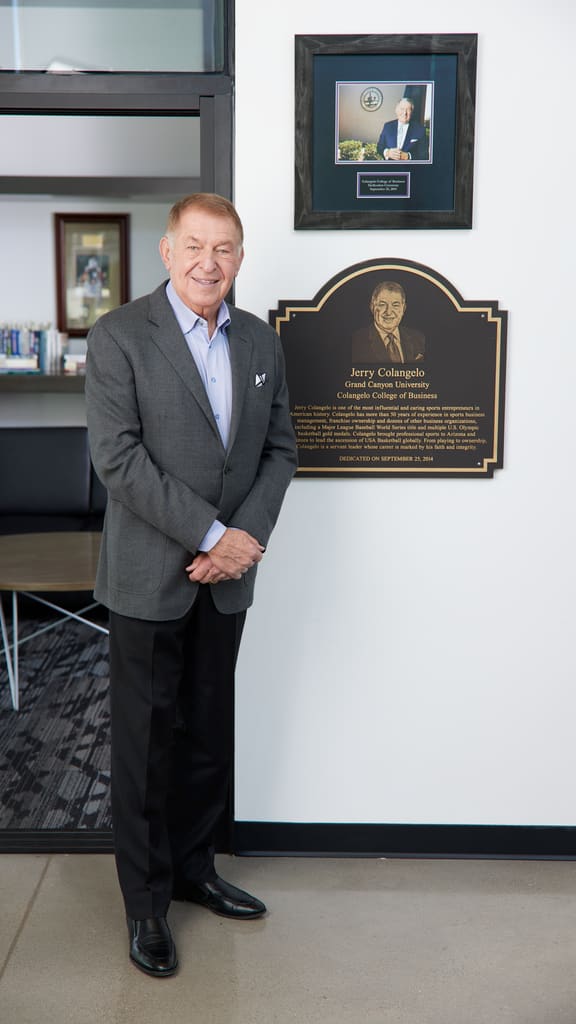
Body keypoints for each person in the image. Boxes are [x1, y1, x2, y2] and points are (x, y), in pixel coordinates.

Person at [85, 193, 298, 978]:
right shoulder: (119, 337)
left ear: (240, 259)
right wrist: (212, 535)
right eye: (197, 246)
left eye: (228, 249)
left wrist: (243, 544)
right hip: (150, 576)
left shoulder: (260, 343)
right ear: (168, 251)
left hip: (226, 580)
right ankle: (145, 906)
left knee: (208, 734)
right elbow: (120, 460)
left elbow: (281, 452)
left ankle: (194, 869)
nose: (211, 263)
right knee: (145, 744)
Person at [352, 280, 426, 363]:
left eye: (395, 305)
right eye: (382, 304)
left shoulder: (419, 339)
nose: (388, 312)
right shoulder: (356, 342)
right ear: (372, 307)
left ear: (403, 309)